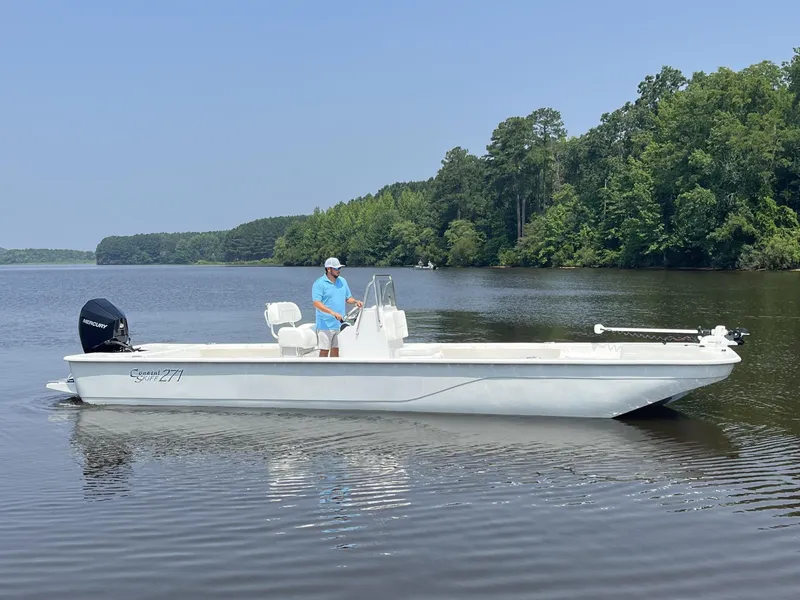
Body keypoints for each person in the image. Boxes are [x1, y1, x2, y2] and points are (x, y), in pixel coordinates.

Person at [312, 257, 363, 357]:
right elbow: (316, 303)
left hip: (339, 324)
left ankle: (333, 372)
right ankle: (321, 371)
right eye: (336, 268)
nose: (338, 270)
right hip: (325, 325)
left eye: (339, 268)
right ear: (328, 269)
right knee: (324, 350)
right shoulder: (319, 284)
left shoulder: (342, 281)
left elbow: (348, 298)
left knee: (336, 350)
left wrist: (356, 302)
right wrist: (332, 313)